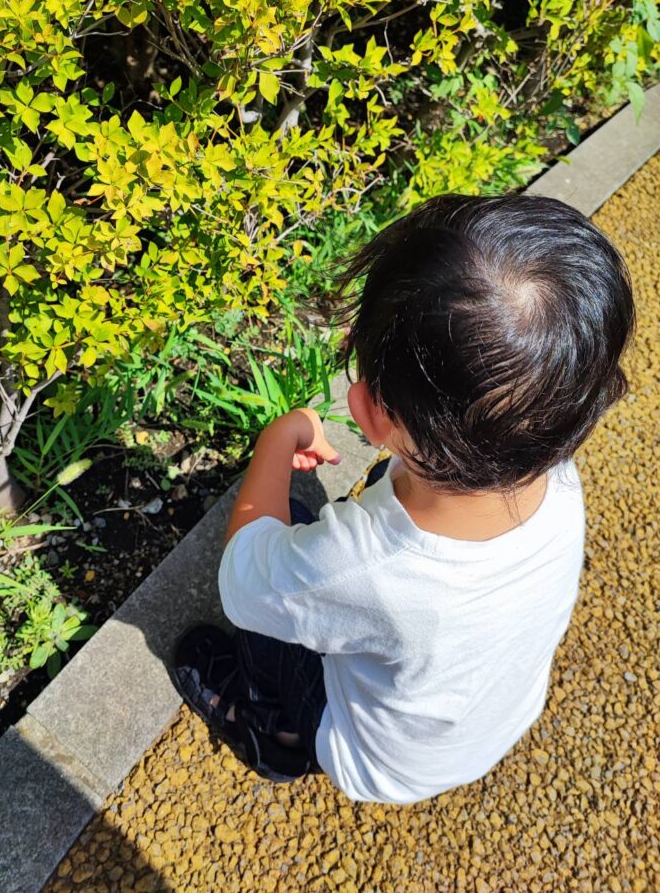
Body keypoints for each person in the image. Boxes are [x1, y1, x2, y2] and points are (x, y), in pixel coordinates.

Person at [170, 193, 635, 803]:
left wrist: (277, 439)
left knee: (283, 575)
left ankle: (273, 729)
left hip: (371, 757)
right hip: (486, 721)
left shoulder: (358, 566)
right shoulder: (556, 475)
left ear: (368, 413)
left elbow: (243, 581)